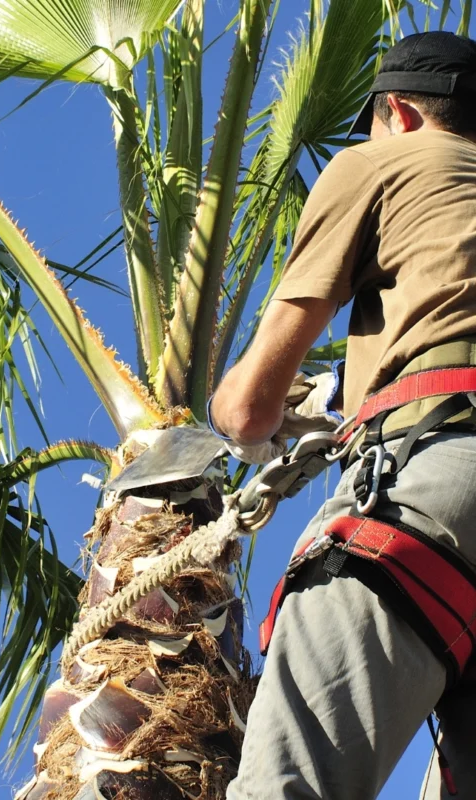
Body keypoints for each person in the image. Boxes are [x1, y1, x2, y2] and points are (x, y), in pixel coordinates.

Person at [209, 31, 476, 800]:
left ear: (398, 110)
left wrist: (252, 428)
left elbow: (246, 405)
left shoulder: (383, 160)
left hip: (435, 485)